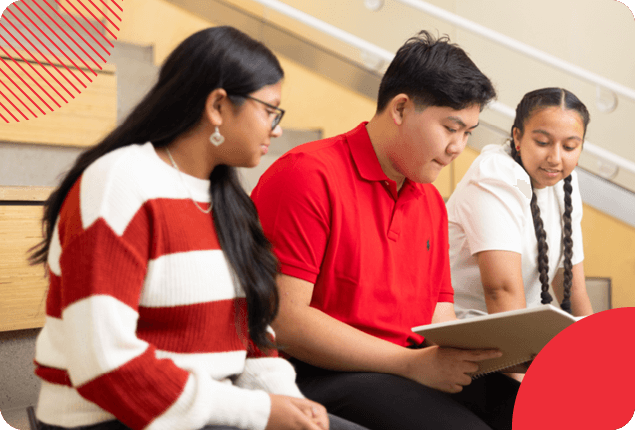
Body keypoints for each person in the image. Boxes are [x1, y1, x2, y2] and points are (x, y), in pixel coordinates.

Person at [29, 26, 368, 430]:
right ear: (218, 106)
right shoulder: (120, 183)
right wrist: (259, 413)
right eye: (269, 110)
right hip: (111, 418)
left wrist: (293, 405)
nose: (276, 129)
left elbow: (254, 344)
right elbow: (106, 364)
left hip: (207, 411)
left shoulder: (228, 201)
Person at [251, 31, 520, 430]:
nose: (457, 147)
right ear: (400, 109)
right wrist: (410, 364)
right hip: (313, 373)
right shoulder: (308, 174)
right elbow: (285, 321)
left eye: (468, 133)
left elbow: (437, 314)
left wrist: (497, 354)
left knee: (534, 408)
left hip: (404, 366)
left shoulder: (427, 198)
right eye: (450, 128)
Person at [446, 87, 594, 320]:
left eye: (569, 147)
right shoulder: (495, 174)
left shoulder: (565, 182)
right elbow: (501, 291)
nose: (555, 158)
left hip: (517, 325)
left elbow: (575, 289)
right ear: (517, 137)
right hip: (466, 325)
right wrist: (526, 354)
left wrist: (596, 346)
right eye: (543, 142)